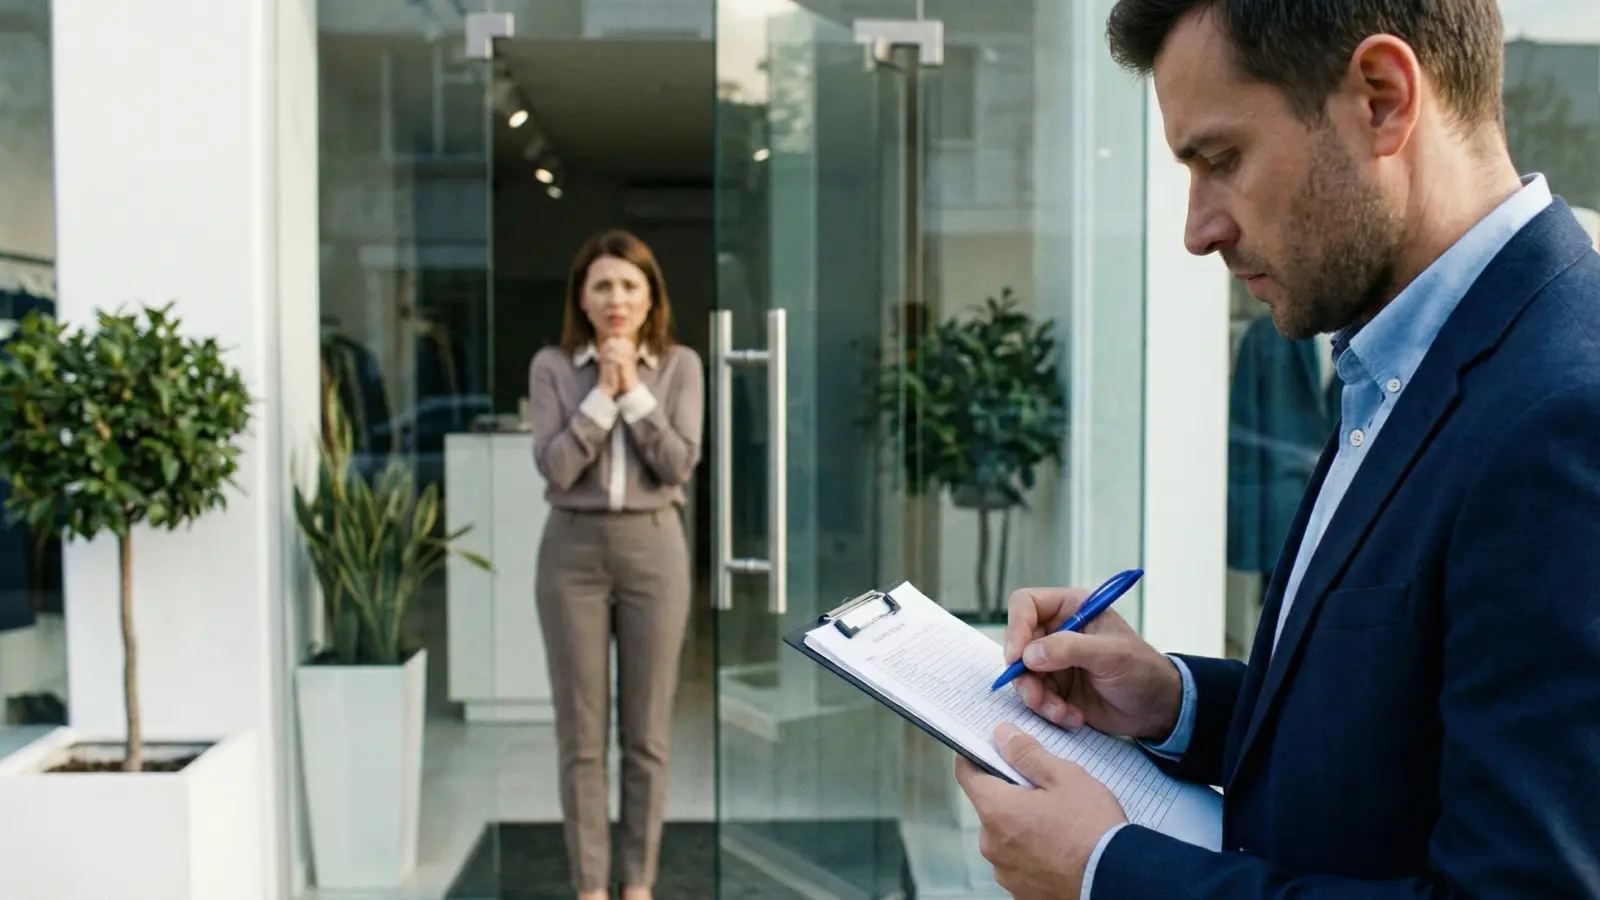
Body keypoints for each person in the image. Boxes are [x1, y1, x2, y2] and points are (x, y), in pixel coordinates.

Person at [954, 1, 1600, 897]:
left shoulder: (1565, 411)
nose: (1198, 230)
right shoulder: (1410, 353)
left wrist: (1105, 870)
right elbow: (1400, 734)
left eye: (1222, 161)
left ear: (1381, 99)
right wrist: (1174, 702)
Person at [528, 229, 703, 900]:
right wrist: (602, 389)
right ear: (582, 295)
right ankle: (591, 888)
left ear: (651, 295)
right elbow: (557, 466)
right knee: (581, 735)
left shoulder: (681, 365)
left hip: (655, 548)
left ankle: (638, 884)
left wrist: (633, 388)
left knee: (647, 734)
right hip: (571, 551)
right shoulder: (551, 367)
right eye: (602, 284)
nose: (617, 297)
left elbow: (678, 462)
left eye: (630, 284)